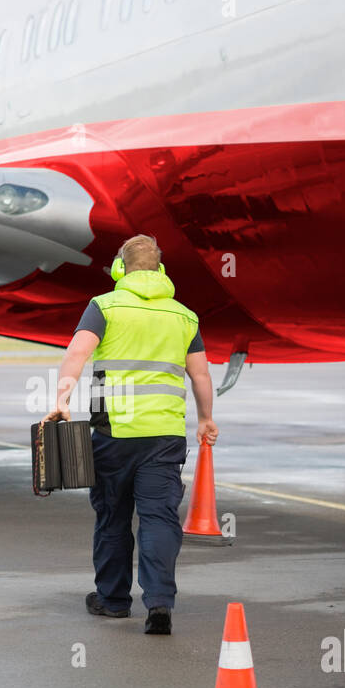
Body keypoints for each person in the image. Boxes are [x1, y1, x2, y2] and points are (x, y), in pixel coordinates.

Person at [44, 234, 218, 635]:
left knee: (113, 517)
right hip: (165, 435)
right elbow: (201, 375)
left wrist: (62, 399)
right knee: (158, 518)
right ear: (161, 270)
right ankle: (159, 603)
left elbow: (76, 353)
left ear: (120, 268)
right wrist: (206, 417)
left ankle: (113, 600)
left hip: (114, 434)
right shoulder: (184, 315)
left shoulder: (104, 306)